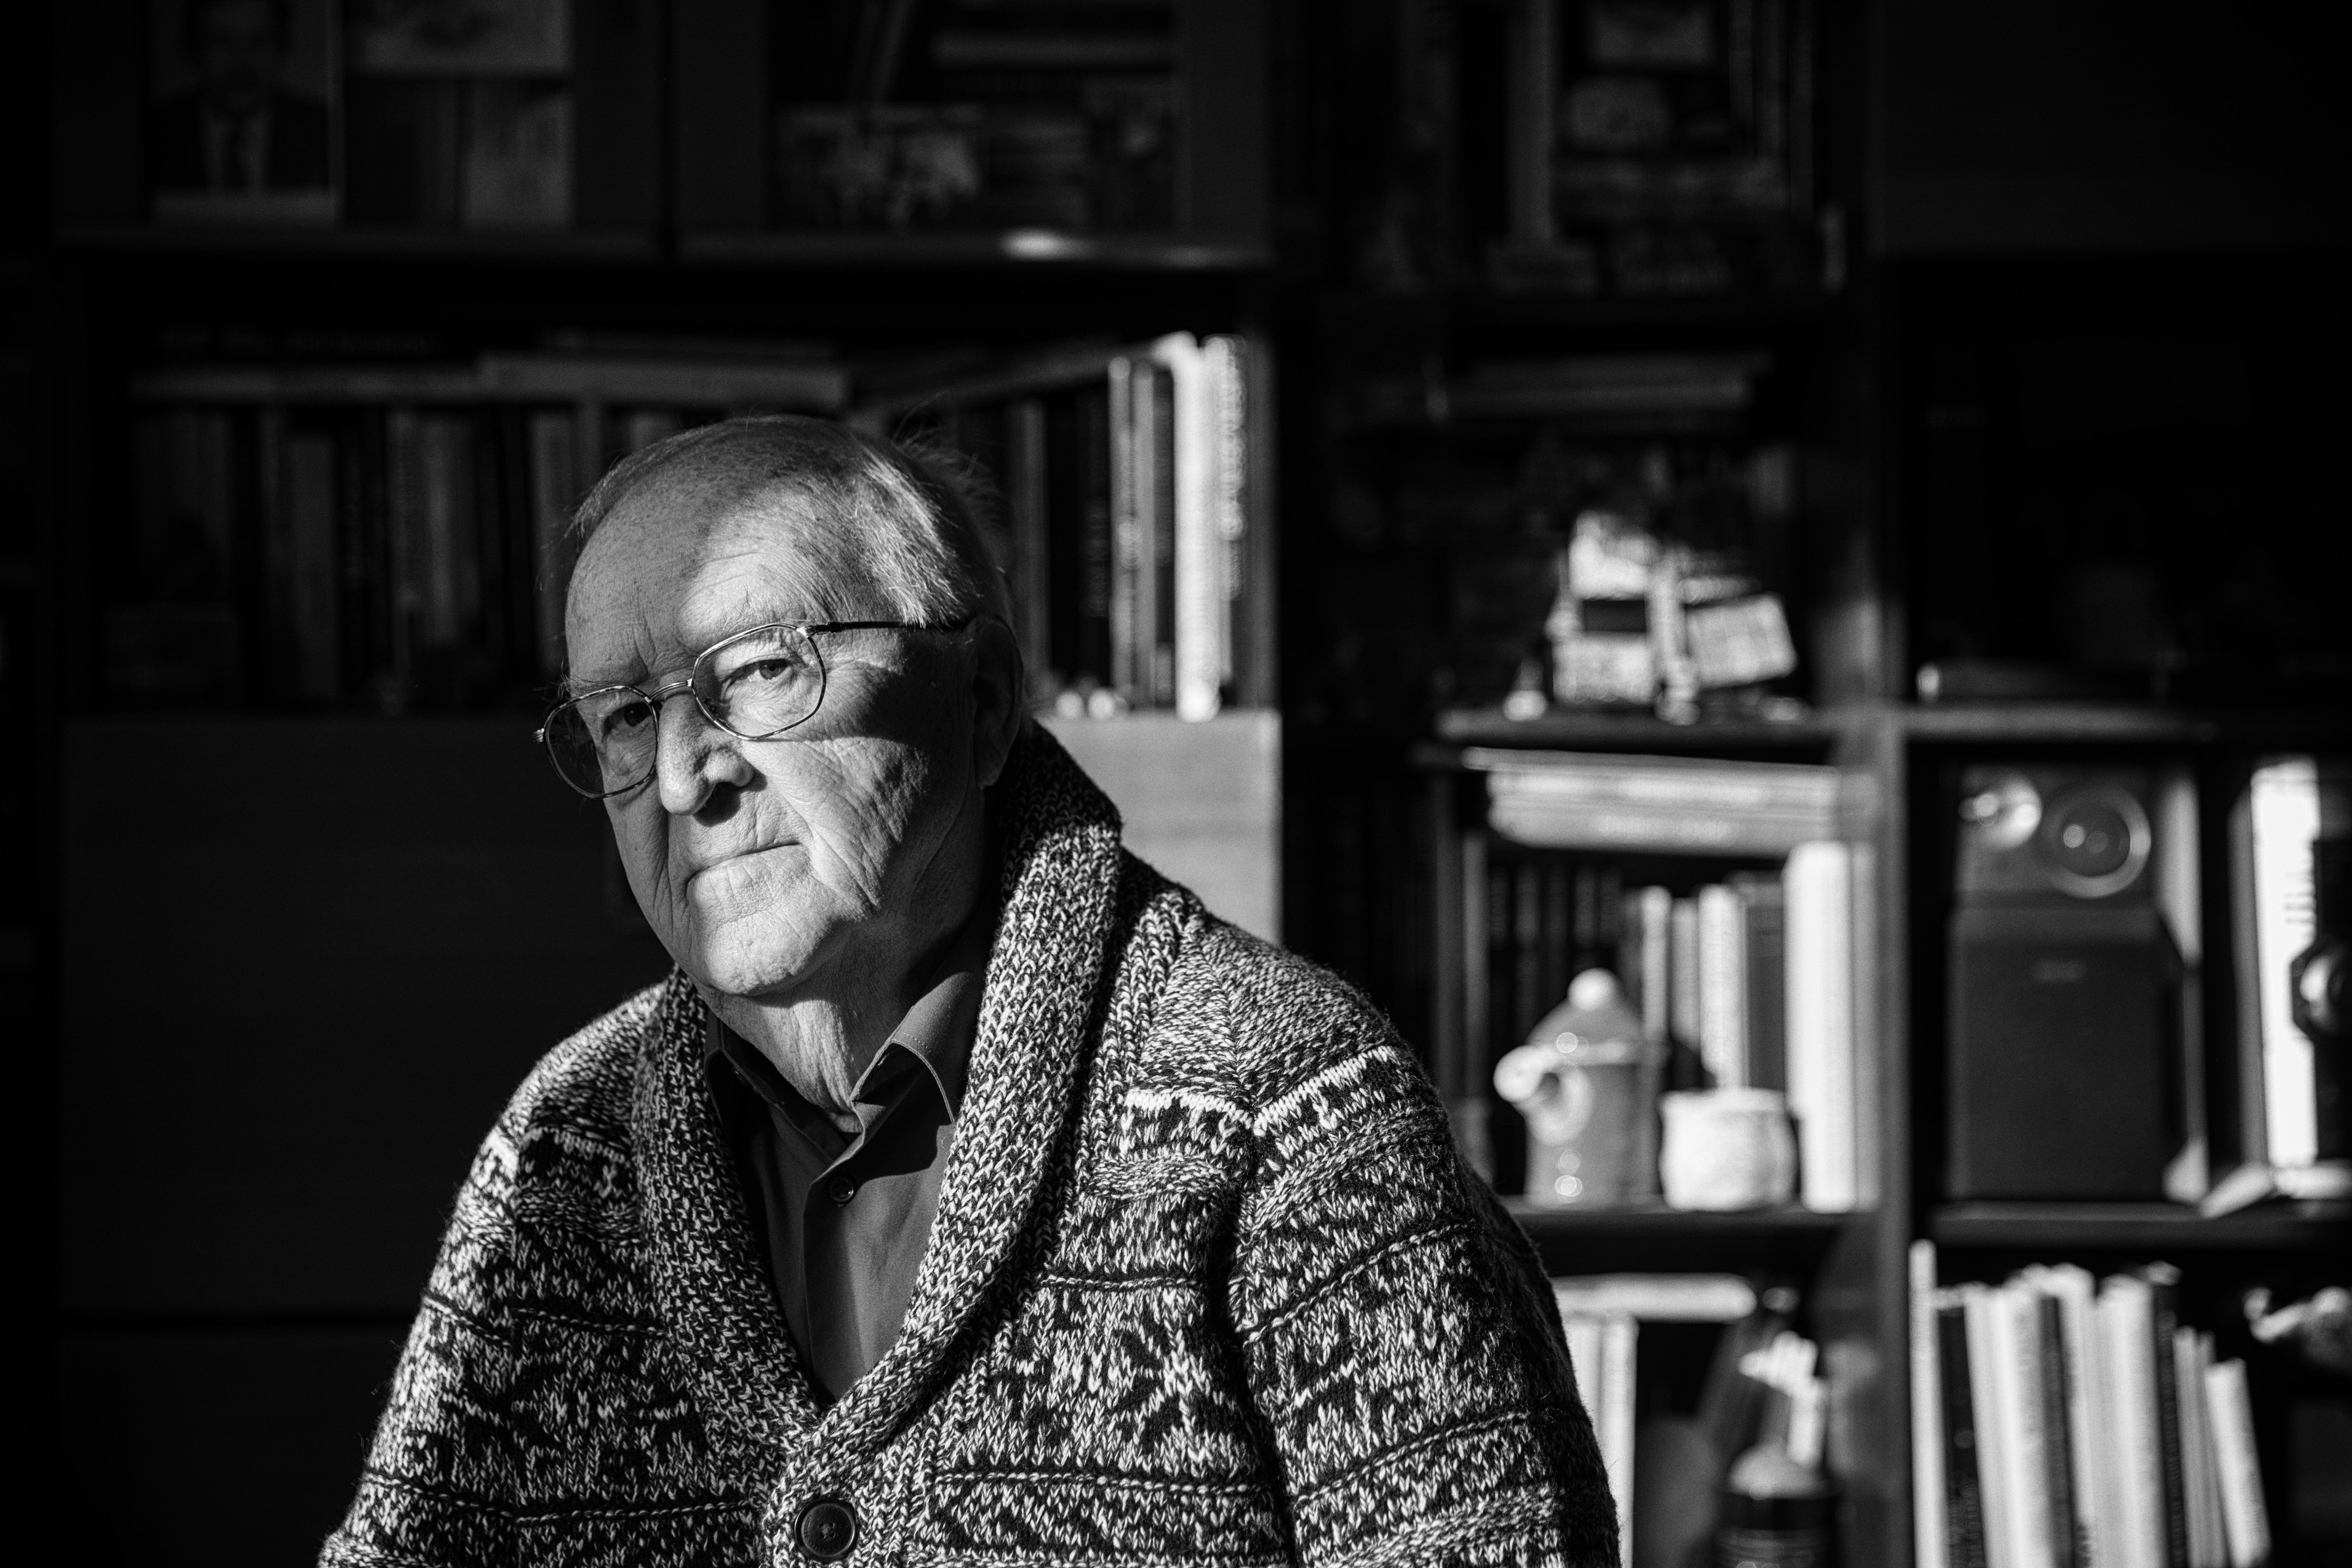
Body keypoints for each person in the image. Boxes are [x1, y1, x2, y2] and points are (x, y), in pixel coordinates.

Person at [322, 415, 1616, 1566]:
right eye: (621, 714)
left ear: (983, 700)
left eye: (761, 668)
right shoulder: (568, 1143)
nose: (681, 775)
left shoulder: (1281, 1106)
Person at [149, 0, 332, 195]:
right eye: (222, 42)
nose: (242, 63)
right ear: (195, 50)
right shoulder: (156, 132)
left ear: (281, 47)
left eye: (259, 41)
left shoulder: (324, 132)